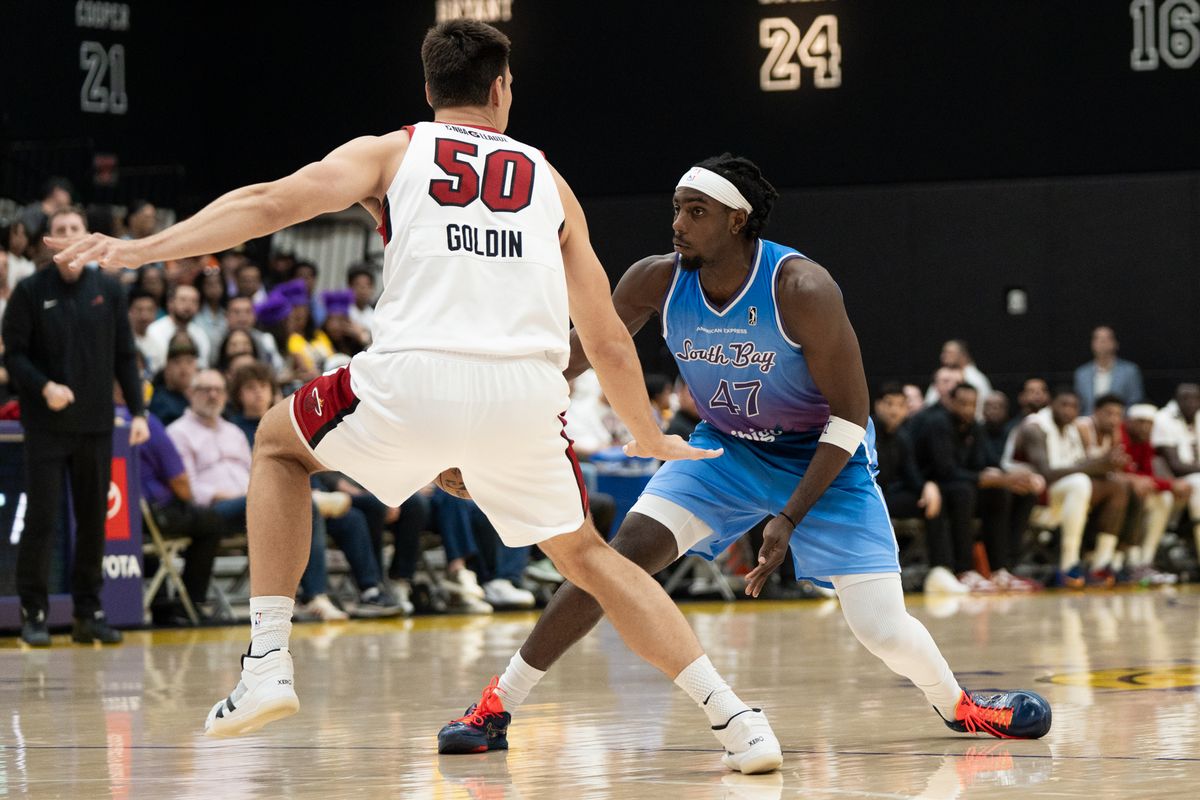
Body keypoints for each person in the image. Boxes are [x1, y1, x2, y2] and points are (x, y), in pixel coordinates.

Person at [44, 19, 778, 774]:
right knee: (591, 558)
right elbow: (609, 339)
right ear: (501, 89)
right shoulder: (549, 181)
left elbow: (265, 203)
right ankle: (735, 719)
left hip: (411, 379)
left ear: (429, 91)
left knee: (277, 446)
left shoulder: (392, 152)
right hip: (523, 394)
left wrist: (142, 249)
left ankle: (266, 661)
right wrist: (646, 431)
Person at [445, 153, 1051, 751]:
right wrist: (486, 435)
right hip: (724, 452)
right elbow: (574, 358)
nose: (677, 224)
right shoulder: (656, 279)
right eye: (676, 209)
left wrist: (788, 517)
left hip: (821, 458)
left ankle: (959, 706)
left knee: (882, 629)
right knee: (610, 565)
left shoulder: (801, 288)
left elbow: (850, 416)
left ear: (737, 220)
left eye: (696, 211)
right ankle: (499, 705)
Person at [2, 206, 149, 646]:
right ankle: (34, 613)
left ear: (88, 235)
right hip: (46, 426)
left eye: (75, 228)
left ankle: (89, 612)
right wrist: (44, 386)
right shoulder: (30, 291)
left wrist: (138, 412)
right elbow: (14, 356)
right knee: (42, 519)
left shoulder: (109, 289)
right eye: (60, 229)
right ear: (49, 241)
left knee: (93, 520)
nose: (68, 234)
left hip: (96, 425)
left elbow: (125, 354)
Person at [1006, 387, 1130, 587]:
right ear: (1051, 404)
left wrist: (1107, 465)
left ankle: (1101, 563)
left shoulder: (1071, 429)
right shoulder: (1034, 427)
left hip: (1059, 492)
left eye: (1074, 407)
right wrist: (1098, 465)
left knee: (1118, 486)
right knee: (1079, 482)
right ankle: (1069, 564)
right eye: (1063, 405)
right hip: (1026, 494)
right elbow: (1046, 473)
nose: (1068, 411)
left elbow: (1080, 464)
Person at [1074, 326, 1144, 414]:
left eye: (1106, 339)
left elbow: (1135, 402)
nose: (1102, 342)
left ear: (1115, 343)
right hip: (1089, 420)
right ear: (1092, 344)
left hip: (1120, 420)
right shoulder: (1081, 373)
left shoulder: (1130, 371)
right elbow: (1078, 405)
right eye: (1098, 339)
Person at [924, 340, 992, 417]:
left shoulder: (977, 379)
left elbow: (981, 408)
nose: (943, 356)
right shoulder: (942, 375)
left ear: (963, 355)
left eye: (949, 352)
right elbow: (929, 403)